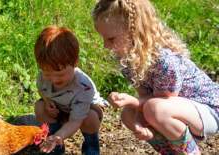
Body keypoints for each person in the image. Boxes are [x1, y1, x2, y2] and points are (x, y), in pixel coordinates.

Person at [92, 0, 219, 154]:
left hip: (208, 109)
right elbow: (145, 98)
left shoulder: (164, 60)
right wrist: (138, 123)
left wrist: (133, 100)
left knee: (155, 109)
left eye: (111, 39)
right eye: (104, 39)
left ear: (135, 32)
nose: (106, 46)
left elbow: (164, 99)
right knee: (128, 113)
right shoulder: (127, 60)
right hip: (176, 110)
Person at [33, 25, 108, 155]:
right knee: (39, 107)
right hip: (62, 108)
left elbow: (75, 121)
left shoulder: (83, 86)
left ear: (75, 63)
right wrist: (47, 100)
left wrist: (60, 135)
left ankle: (91, 147)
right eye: (47, 73)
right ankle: (55, 146)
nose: (54, 79)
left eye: (60, 74)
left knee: (90, 117)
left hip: (85, 111)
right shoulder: (42, 77)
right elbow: (42, 90)